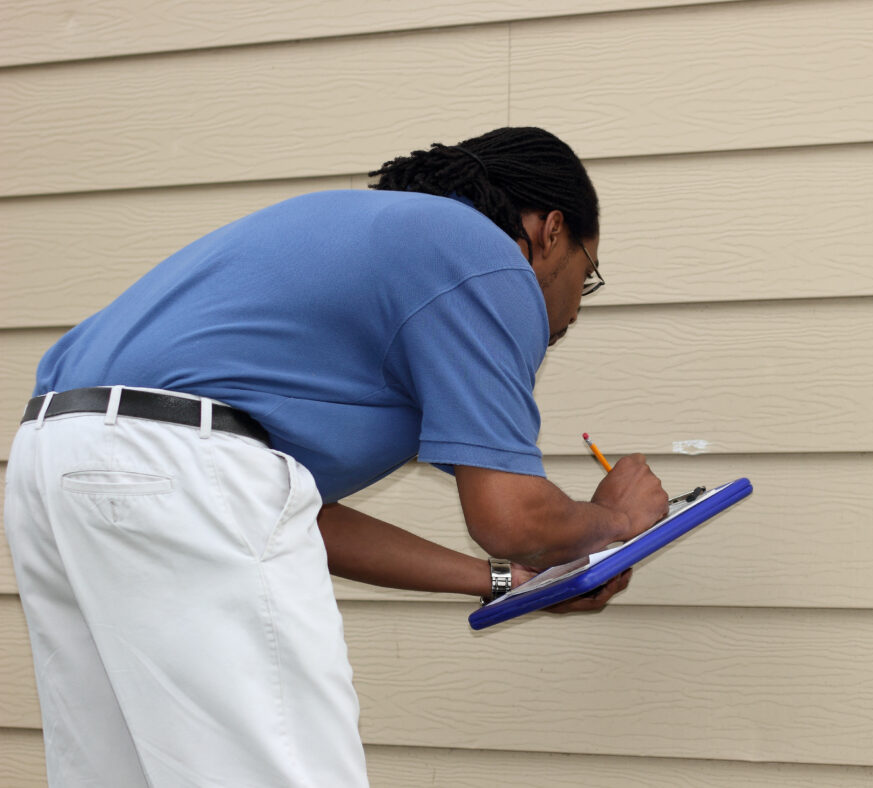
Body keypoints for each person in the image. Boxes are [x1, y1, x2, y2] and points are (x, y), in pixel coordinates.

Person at [4, 126, 669, 786]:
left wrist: (503, 583)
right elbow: (511, 517)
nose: (575, 308)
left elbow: (279, 511)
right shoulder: (486, 256)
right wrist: (616, 519)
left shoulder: (372, 246)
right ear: (550, 230)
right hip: (168, 467)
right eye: (588, 271)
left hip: (51, 460)